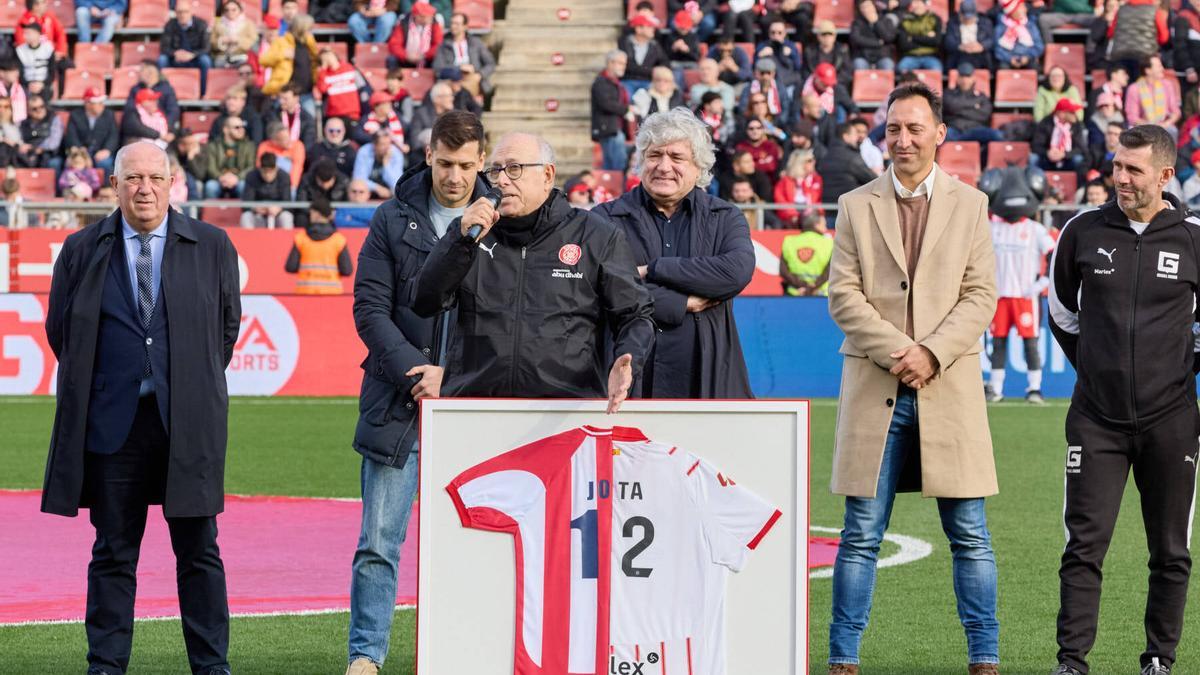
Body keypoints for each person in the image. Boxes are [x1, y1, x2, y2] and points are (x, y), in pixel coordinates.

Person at [41, 139, 240, 675]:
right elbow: (62, 331)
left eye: (155, 177)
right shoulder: (81, 248)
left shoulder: (213, 244)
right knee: (112, 554)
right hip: (114, 428)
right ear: (114, 185)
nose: (145, 188)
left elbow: (225, 331)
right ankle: (105, 666)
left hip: (187, 426)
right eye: (133, 178)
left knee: (199, 553)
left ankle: (210, 666)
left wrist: (183, 382)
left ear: (173, 183)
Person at [826, 82, 999, 675]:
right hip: (877, 386)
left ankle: (985, 657)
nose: (902, 139)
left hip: (947, 386)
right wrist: (906, 351)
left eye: (914, 128)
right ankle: (843, 658)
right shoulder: (855, 205)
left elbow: (981, 296)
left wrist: (934, 353)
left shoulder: (972, 204)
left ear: (940, 134)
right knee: (861, 536)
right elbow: (843, 296)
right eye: (893, 129)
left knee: (970, 534)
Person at [1047, 124, 1200, 675]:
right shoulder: (1082, 231)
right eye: (1117, 166)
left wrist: (1179, 370)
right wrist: (1098, 369)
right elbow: (1063, 314)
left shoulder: (1194, 237)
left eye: (1134, 170)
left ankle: (1159, 659)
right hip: (1096, 421)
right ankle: (1072, 662)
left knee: (1170, 551)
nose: (1120, 178)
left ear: (1165, 174)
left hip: (1173, 419)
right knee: (1083, 548)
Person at [345, 110, 488, 675]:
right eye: (445, 163)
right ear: (428, 154)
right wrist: (417, 371)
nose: (454, 177)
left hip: (476, 403)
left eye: (466, 166)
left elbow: (512, 320)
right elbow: (369, 310)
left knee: (479, 540)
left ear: (483, 162)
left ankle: (473, 651)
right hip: (396, 401)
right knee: (379, 539)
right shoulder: (390, 218)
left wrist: (449, 375)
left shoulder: (507, 221)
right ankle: (366, 655)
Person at [412, 131, 654, 410]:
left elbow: (635, 314)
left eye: (514, 169)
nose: (502, 180)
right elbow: (424, 301)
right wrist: (459, 241)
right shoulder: (470, 233)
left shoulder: (596, 236)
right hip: (476, 410)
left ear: (548, 175)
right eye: (495, 171)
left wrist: (627, 360)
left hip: (563, 413)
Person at [593, 107, 754, 397]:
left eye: (677, 157)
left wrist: (653, 270)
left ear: (699, 167)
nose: (663, 166)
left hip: (709, 385)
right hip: (629, 388)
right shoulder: (604, 219)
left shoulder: (725, 217)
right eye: (654, 155)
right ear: (640, 161)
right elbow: (599, 287)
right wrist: (678, 303)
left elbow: (736, 271)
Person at [985, 204, 1056, 403]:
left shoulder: (1035, 229)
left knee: (1030, 344)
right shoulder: (992, 227)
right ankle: (996, 389)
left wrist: (1042, 283)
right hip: (999, 295)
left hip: (1025, 296)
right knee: (998, 343)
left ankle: (1034, 389)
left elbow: (1054, 254)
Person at [284, 197, 352, 294]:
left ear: (316, 214)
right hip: (332, 293)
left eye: (311, 212)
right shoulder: (338, 240)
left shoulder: (301, 238)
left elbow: (290, 267)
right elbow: (347, 270)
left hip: (305, 292)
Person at [819, 121, 878, 214]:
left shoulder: (826, 155)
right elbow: (873, 179)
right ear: (845, 137)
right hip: (849, 210)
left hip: (828, 209)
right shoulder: (851, 157)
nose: (857, 137)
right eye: (855, 134)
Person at [432, 11, 495, 98]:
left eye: (457, 24)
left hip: (471, 77)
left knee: (466, 88)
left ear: (465, 26)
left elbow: (490, 63)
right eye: (452, 23)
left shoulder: (475, 43)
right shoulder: (443, 45)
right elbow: (438, 69)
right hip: (451, 79)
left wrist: (480, 75)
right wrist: (459, 68)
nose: (453, 26)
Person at [159, 1, 213, 96]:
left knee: (205, 60)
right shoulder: (170, 25)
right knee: (162, 60)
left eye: (185, 12)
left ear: (191, 12)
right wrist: (175, 53)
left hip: (194, 58)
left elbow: (206, 48)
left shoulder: (201, 24)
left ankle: (203, 93)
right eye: (179, 12)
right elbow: (164, 47)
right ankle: (162, 93)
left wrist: (192, 54)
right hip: (175, 59)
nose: (182, 15)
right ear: (175, 13)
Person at [591, 49, 633, 172]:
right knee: (617, 167)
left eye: (624, 64)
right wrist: (626, 109)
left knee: (611, 167)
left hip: (614, 129)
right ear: (610, 63)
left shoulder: (615, 83)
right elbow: (606, 103)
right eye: (620, 63)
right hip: (609, 129)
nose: (623, 67)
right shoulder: (601, 82)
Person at [944, 62, 1004, 144]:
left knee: (998, 135)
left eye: (968, 76)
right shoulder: (948, 93)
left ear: (973, 78)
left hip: (976, 130)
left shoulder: (981, 96)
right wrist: (974, 107)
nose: (965, 80)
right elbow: (951, 107)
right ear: (957, 78)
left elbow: (985, 114)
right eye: (962, 76)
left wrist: (959, 109)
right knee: (943, 136)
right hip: (955, 129)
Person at [260, 15, 319, 97]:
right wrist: (282, 54)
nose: (310, 31)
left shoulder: (309, 42)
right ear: (300, 28)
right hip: (286, 93)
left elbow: (315, 61)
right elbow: (263, 60)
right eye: (309, 29)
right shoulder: (281, 41)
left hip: (307, 92)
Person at [1125, 55, 1181, 140]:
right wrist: (1151, 125)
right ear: (1148, 70)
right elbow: (1132, 117)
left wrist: (1166, 123)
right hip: (1143, 127)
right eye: (1159, 66)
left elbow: (1176, 111)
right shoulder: (1134, 88)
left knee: (1172, 131)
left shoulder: (1167, 85)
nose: (1162, 69)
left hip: (1165, 126)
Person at [780, 212, 834, 295]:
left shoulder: (789, 241)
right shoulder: (829, 243)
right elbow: (830, 271)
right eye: (824, 225)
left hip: (795, 293)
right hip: (820, 295)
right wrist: (812, 287)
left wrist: (803, 286)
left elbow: (783, 271)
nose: (826, 228)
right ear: (816, 225)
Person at [202, 116, 256, 198]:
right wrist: (221, 178)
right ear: (226, 130)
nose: (242, 130)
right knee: (210, 186)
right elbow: (210, 167)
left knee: (243, 186)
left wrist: (237, 178)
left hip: (239, 179)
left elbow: (251, 167)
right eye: (237, 127)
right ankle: (212, 211)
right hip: (219, 179)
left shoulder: (249, 146)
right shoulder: (213, 146)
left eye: (243, 127)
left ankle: (244, 211)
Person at [1032, 98, 1089, 176]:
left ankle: (1080, 186)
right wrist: (1047, 152)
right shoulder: (1045, 123)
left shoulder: (1077, 125)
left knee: (1078, 160)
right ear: (1061, 113)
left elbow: (1082, 148)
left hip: (1068, 160)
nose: (1075, 114)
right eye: (1072, 112)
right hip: (1048, 159)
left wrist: (1064, 154)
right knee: (1033, 158)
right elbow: (1036, 145)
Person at [621, 14, 670, 97]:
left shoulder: (654, 45)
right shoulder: (625, 43)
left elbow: (665, 62)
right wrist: (652, 71)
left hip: (648, 81)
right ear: (638, 29)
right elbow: (627, 65)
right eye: (649, 27)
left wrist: (658, 70)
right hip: (629, 80)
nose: (652, 29)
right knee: (626, 96)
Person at [241, 152, 294, 228]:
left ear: (276, 169)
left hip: (277, 214)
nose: (267, 175)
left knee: (286, 217)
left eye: (271, 171)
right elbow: (246, 202)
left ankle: (287, 239)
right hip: (257, 214)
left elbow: (287, 201)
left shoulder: (284, 176)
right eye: (265, 171)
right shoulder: (251, 176)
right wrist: (255, 208)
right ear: (260, 169)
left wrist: (279, 208)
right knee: (246, 216)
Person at [316, 48, 365, 128]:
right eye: (324, 58)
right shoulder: (324, 74)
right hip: (334, 115)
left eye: (329, 55)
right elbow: (322, 89)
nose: (328, 59)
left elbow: (362, 87)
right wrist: (323, 69)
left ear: (334, 55)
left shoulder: (349, 68)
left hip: (352, 113)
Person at [125, 60, 181, 129]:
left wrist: (165, 127)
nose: (139, 72)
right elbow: (130, 109)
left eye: (142, 69)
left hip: (161, 126)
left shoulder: (166, 89)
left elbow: (173, 111)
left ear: (153, 72)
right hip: (140, 130)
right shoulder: (135, 89)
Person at [386, 1, 442, 68]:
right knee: (392, 60)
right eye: (426, 16)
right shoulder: (403, 24)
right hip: (406, 58)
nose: (430, 18)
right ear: (417, 16)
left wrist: (424, 55)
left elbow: (438, 45)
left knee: (439, 59)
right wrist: (406, 55)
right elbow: (394, 45)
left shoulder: (434, 24)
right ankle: (394, 77)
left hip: (427, 58)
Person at [775, 148, 823, 226]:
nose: (814, 162)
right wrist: (793, 214)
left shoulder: (816, 179)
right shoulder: (785, 180)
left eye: (813, 159)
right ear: (800, 163)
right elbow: (780, 200)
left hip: (811, 216)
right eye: (809, 160)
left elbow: (817, 199)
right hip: (790, 218)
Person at [354, 128, 405, 199]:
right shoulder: (364, 152)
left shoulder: (396, 154)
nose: (387, 148)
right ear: (374, 145)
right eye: (383, 144)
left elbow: (397, 184)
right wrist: (377, 188)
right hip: (367, 193)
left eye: (389, 144)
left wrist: (386, 164)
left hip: (390, 195)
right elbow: (359, 179)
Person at [945, 0, 994, 71]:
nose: (968, 19)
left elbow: (991, 40)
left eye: (970, 17)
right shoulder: (952, 23)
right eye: (965, 17)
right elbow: (948, 41)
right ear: (960, 14)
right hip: (960, 55)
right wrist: (960, 46)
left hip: (980, 55)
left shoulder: (985, 23)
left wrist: (981, 46)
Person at [849, 0, 898, 71]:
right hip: (863, 56)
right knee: (858, 64)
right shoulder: (857, 23)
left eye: (868, 6)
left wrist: (876, 23)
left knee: (888, 64)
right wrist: (878, 43)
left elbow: (889, 38)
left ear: (874, 6)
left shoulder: (886, 20)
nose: (866, 10)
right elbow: (855, 39)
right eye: (863, 7)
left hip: (882, 56)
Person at [257, 120, 306, 190]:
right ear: (274, 141)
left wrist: (291, 187)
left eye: (289, 137)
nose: (289, 141)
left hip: (288, 185)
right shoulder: (264, 147)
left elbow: (297, 168)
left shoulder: (298, 146)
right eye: (284, 139)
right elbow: (261, 168)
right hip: (268, 185)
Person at [994, 0, 1044, 69]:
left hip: (1028, 58)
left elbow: (1039, 46)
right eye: (1021, 7)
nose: (1025, 9)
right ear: (1012, 11)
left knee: (1035, 67)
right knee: (1002, 67)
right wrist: (1010, 59)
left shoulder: (1030, 25)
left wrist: (1027, 57)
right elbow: (997, 49)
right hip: (1008, 60)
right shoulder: (1001, 27)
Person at [897, 0, 944, 71]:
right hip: (911, 56)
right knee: (901, 68)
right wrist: (927, 40)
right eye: (914, 2)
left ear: (924, 4)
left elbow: (936, 41)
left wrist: (912, 38)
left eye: (918, 2)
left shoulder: (934, 18)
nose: (915, 5)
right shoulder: (905, 20)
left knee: (937, 69)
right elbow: (903, 44)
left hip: (930, 56)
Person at [804, 20, 853, 88]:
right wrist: (818, 82)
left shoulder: (842, 50)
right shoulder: (810, 51)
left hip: (837, 85)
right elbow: (805, 71)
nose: (827, 38)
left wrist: (831, 81)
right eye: (824, 34)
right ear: (818, 36)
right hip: (815, 86)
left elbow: (847, 73)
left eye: (830, 34)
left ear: (835, 36)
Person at [211, 0, 257, 68]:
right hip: (222, 57)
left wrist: (238, 40)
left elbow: (254, 42)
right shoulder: (218, 24)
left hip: (242, 56)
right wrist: (221, 41)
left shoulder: (248, 24)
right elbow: (211, 42)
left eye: (234, 10)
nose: (230, 12)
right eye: (227, 10)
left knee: (245, 65)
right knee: (218, 63)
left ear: (240, 10)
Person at [15, 21, 54, 98]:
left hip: (44, 85)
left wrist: (42, 84)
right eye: (24, 33)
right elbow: (19, 73)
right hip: (26, 85)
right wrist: (28, 84)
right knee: (22, 93)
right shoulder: (20, 50)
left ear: (37, 34)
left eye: (28, 33)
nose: (25, 36)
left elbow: (52, 71)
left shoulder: (48, 48)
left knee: (46, 94)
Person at [274, 84, 318, 150]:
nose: (281, 101)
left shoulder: (307, 119)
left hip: (298, 154)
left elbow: (308, 144)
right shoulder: (274, 114)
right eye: (280, 98)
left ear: (296, 98)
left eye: (285, 99)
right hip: (278, 151)